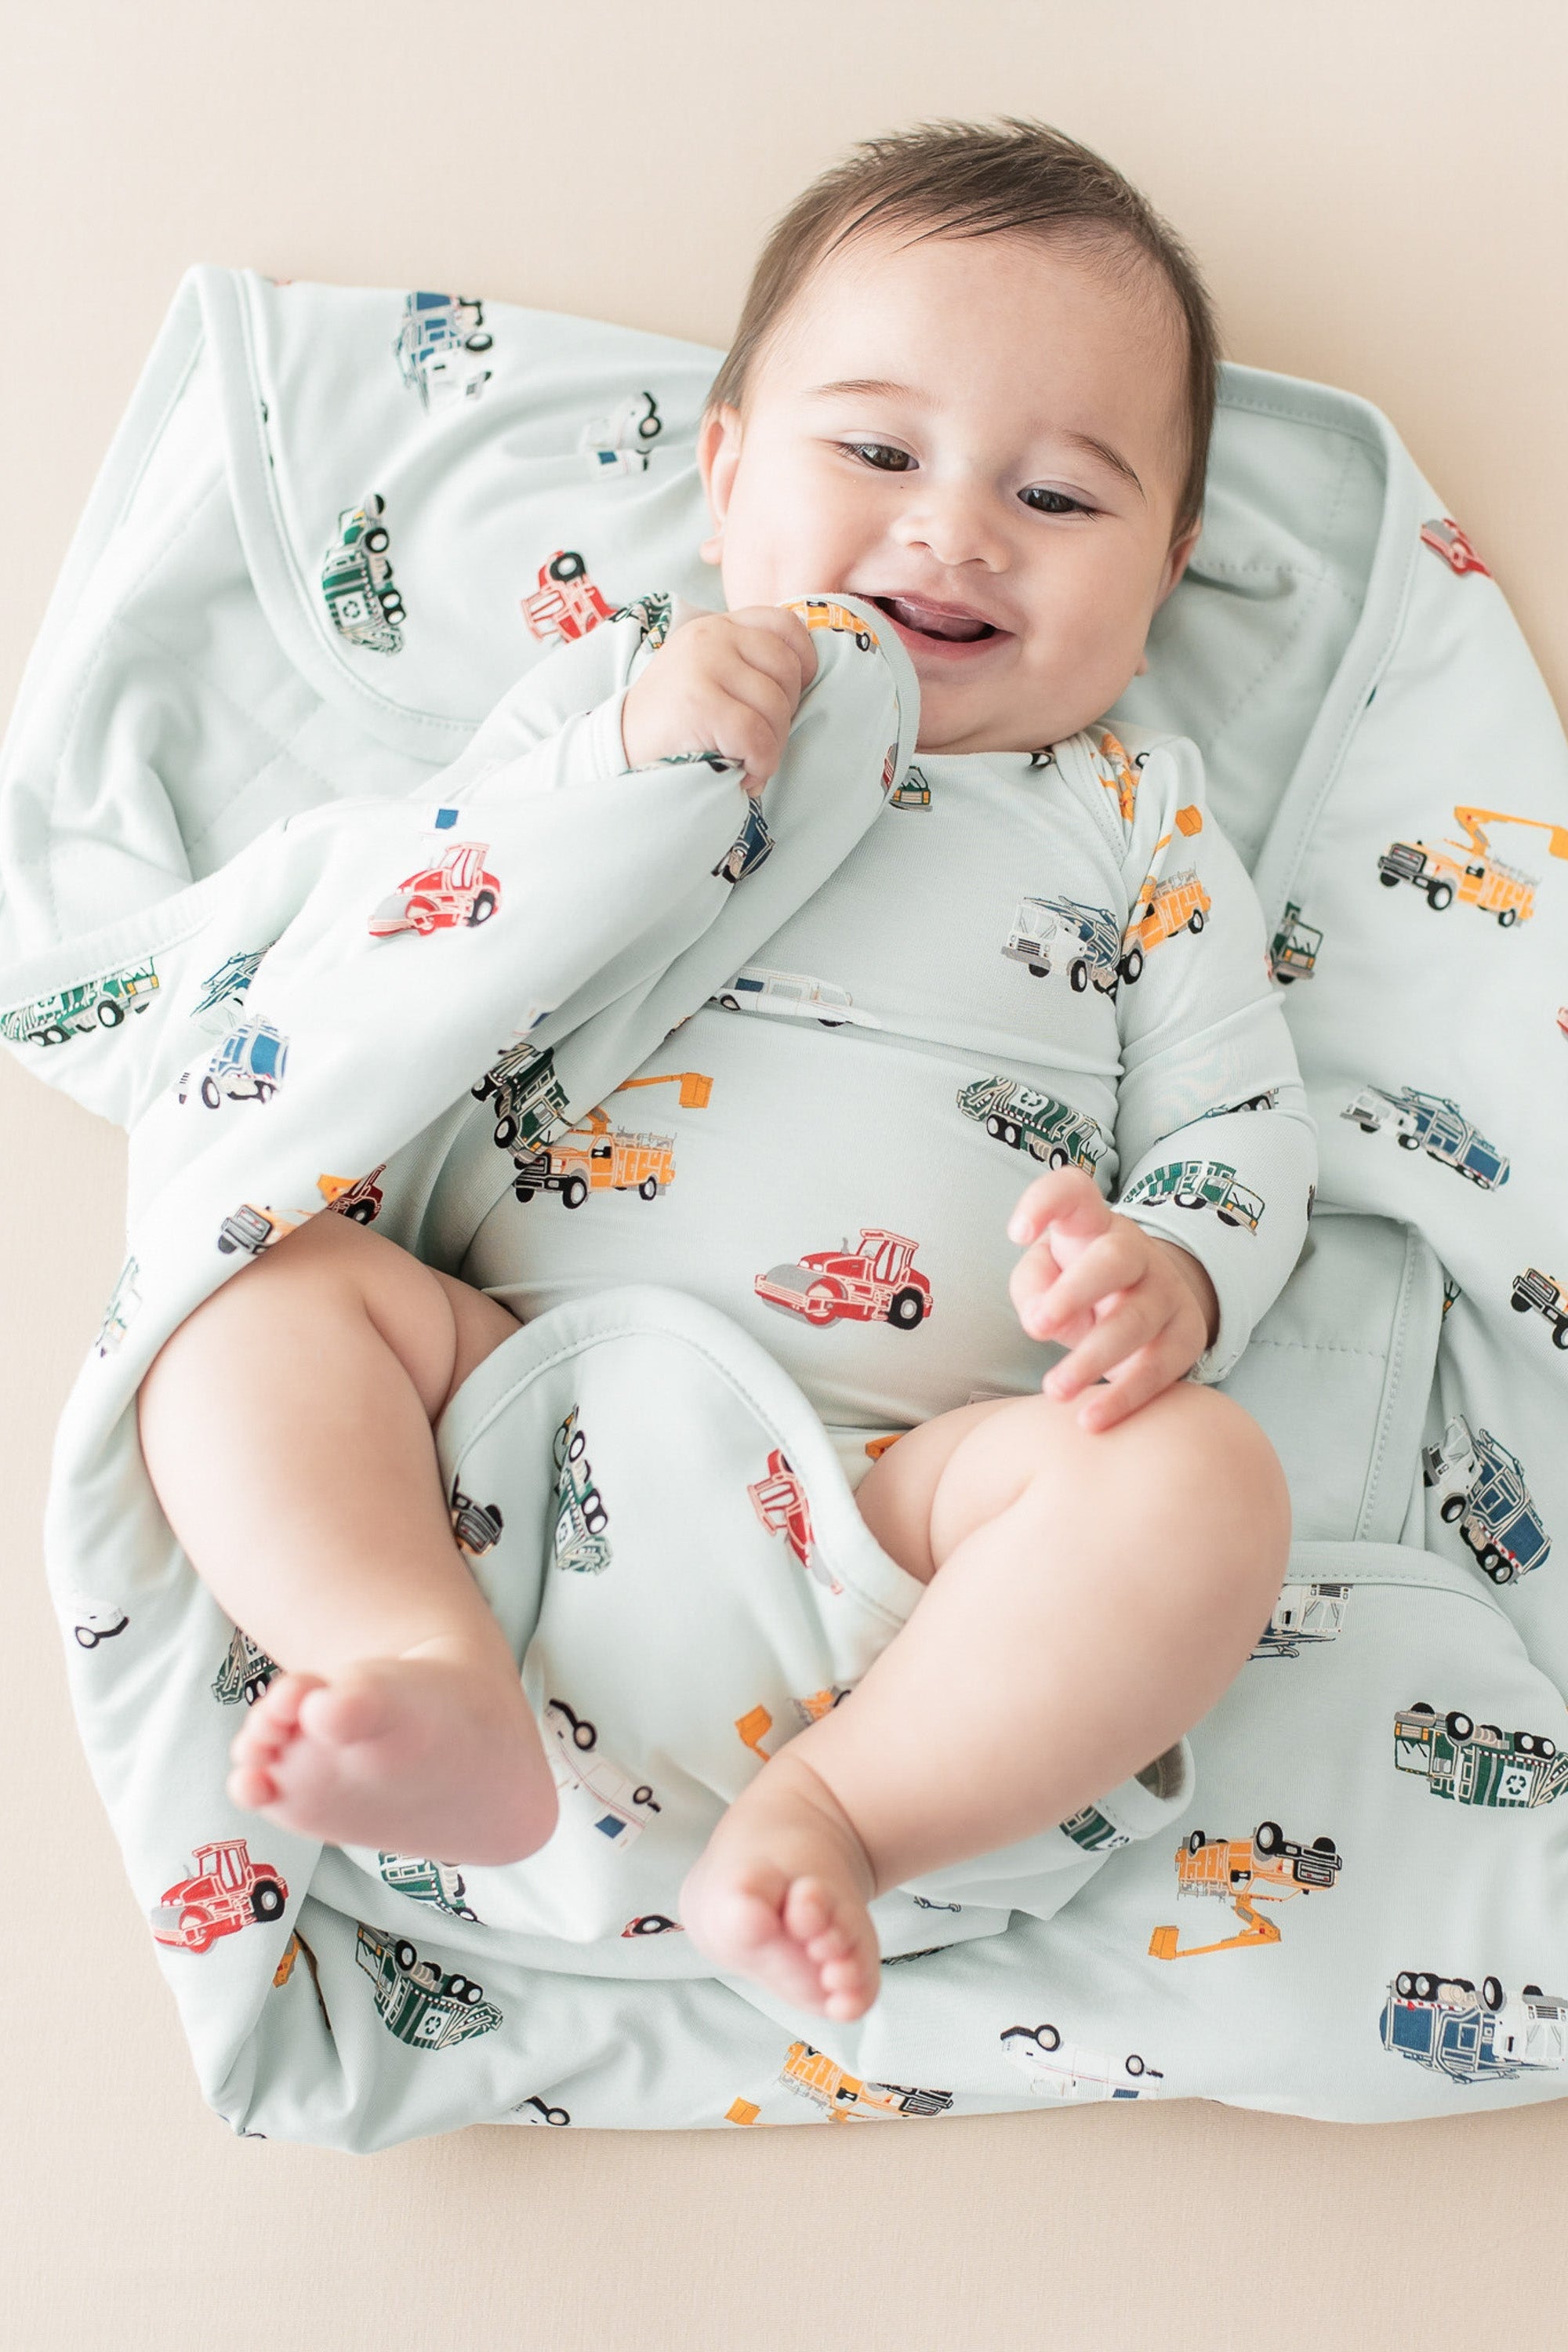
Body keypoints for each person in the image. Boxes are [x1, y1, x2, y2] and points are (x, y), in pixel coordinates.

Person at [136, 118, 1305, 2027]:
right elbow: (416, 933)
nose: (953, 528)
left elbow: (1240, 1123)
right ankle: (407, 1658)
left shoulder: (1132, 819)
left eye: (1062, 500)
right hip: (501, 1399)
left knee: (1200, 1483)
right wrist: (624, 777)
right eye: (876, 451)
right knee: (250, 1290)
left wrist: (1169, 1275)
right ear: (723, 471)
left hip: (912, 1508)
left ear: (1167, 570)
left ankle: (842, 1810)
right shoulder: (614, 702)